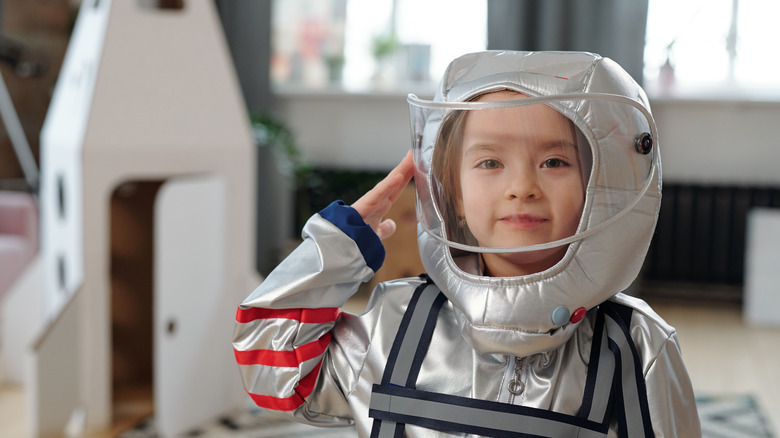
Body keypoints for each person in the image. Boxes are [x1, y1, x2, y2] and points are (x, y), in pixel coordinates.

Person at [233, 51, 701, 437]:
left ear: (602, 186)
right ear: (450, 192)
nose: (522, 186)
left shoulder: (635, 346)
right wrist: (337, 248)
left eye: (555, 161)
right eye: (490, 162)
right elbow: (272, 372)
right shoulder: (396, 322)